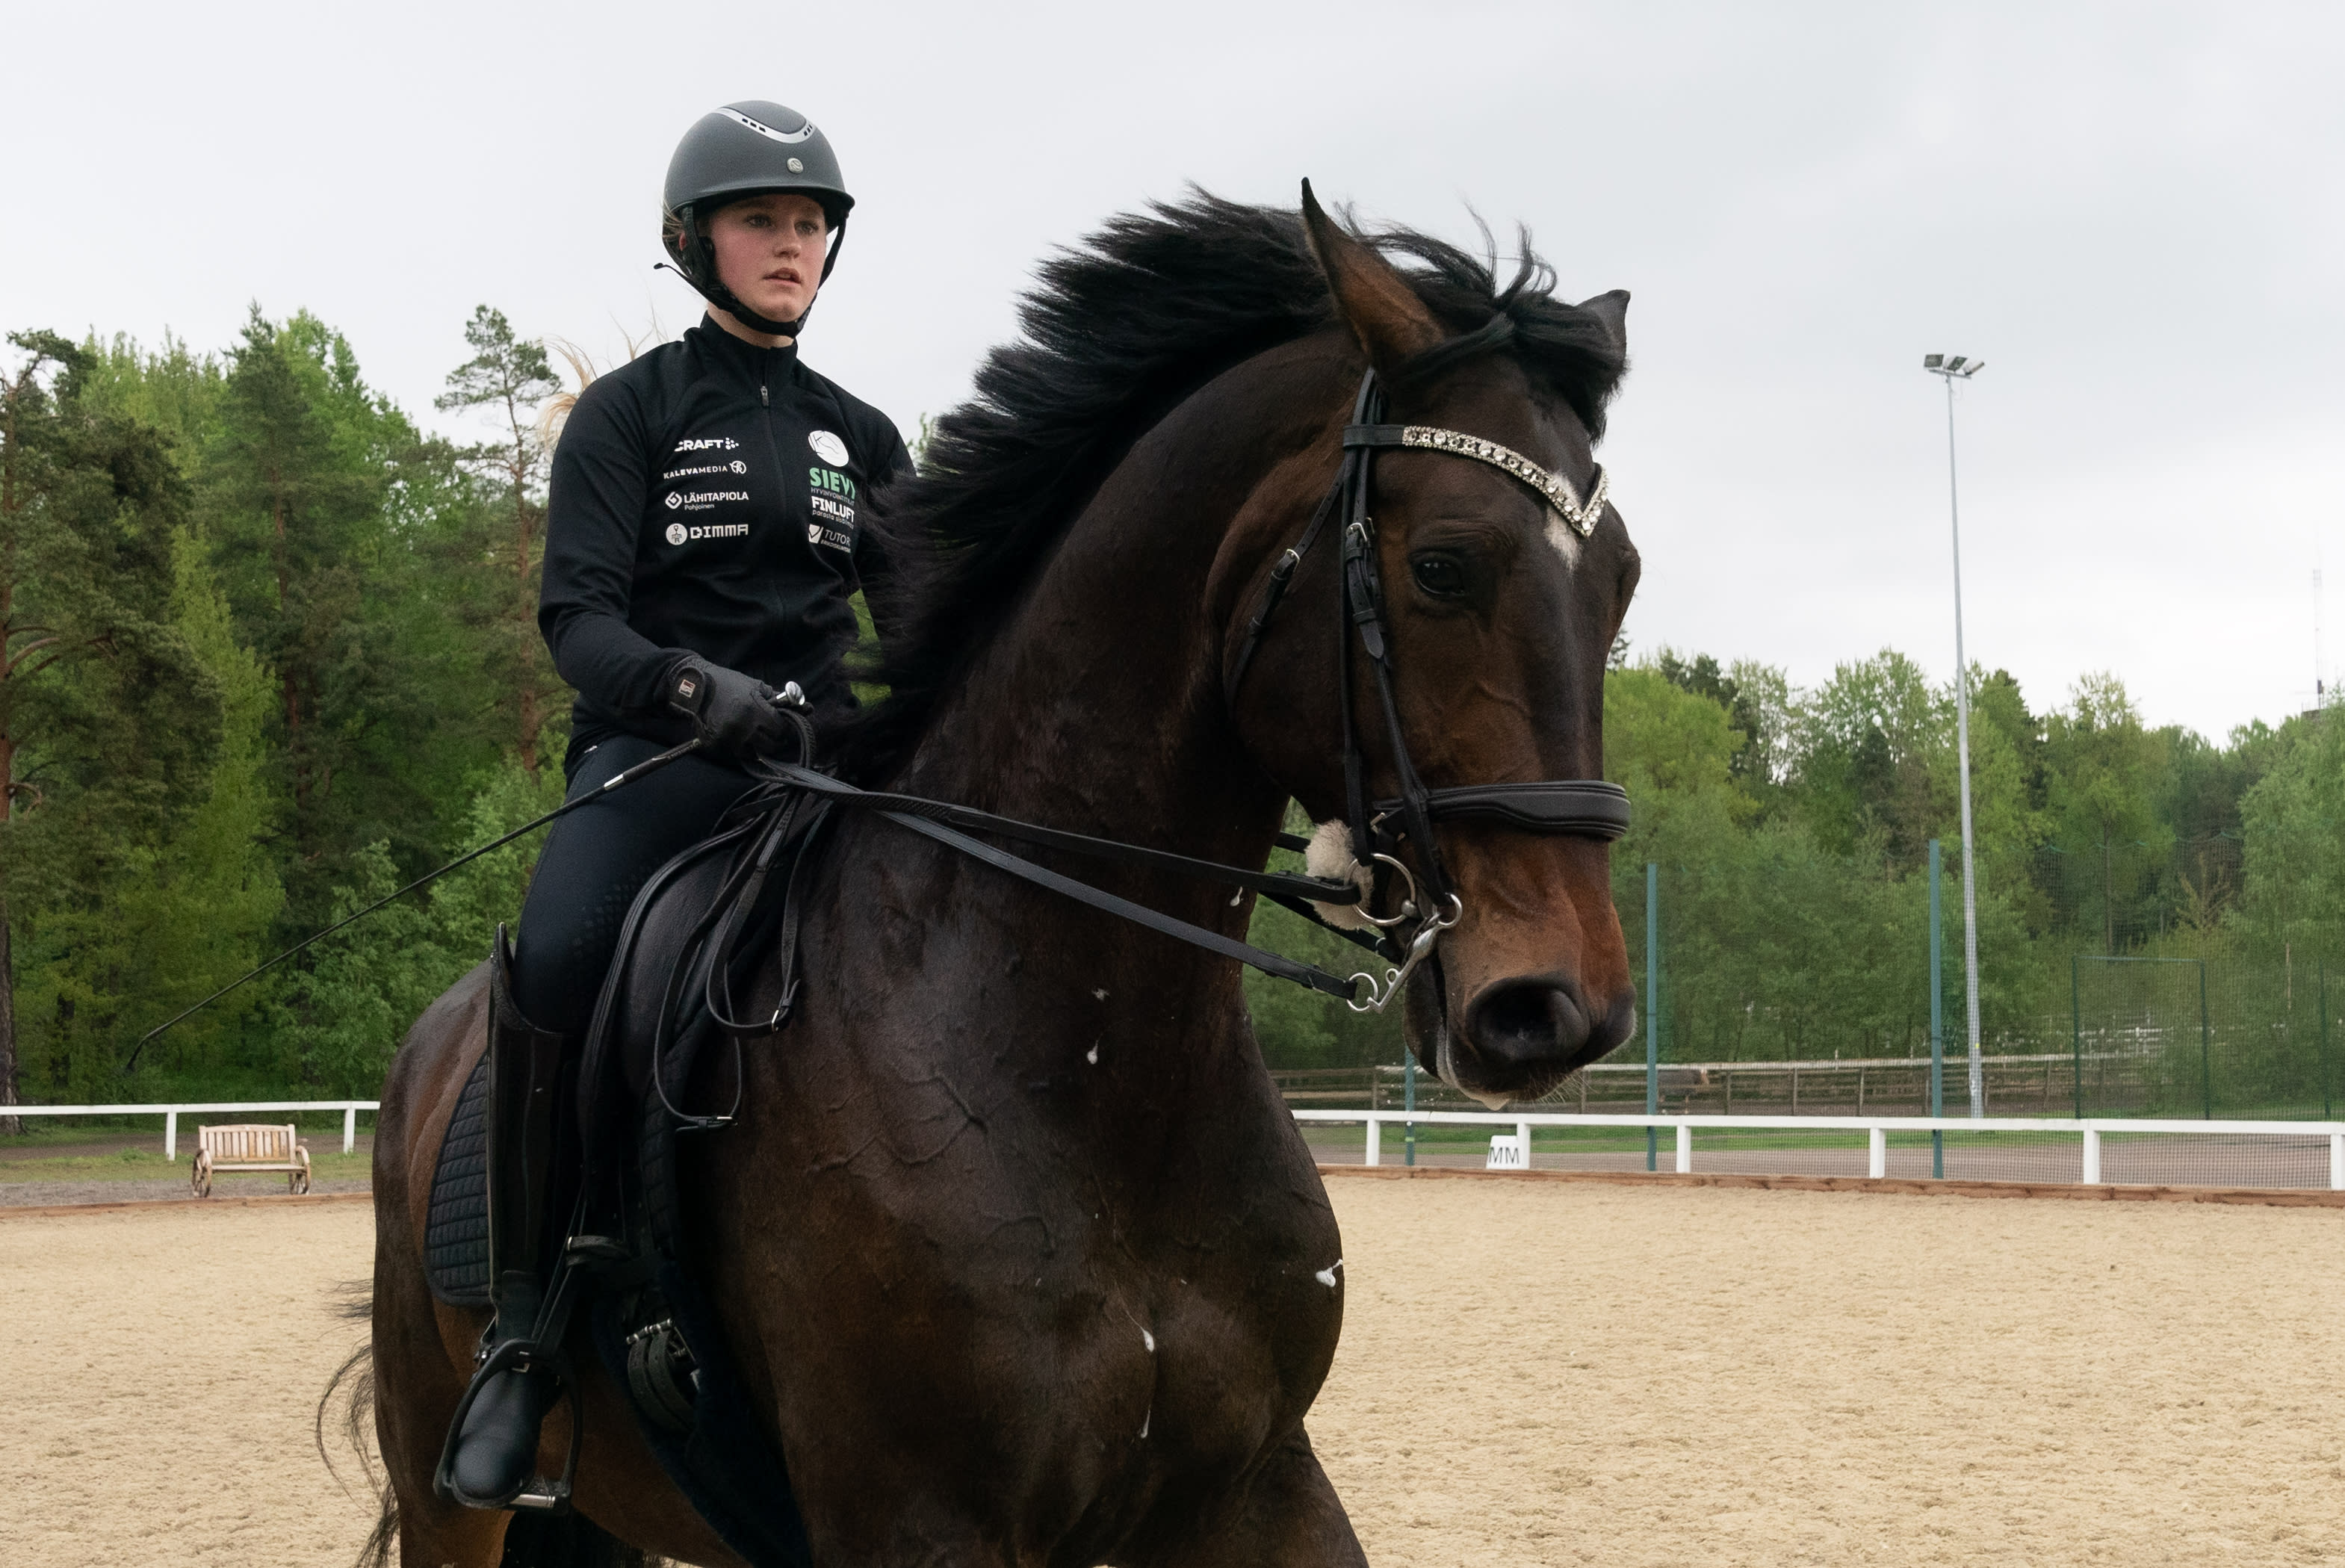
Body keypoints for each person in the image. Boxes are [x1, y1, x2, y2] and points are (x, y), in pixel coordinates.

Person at [440, 100, 913, 1511]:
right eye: (763, 219)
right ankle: (522, 1338)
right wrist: (697, 695)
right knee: (561, 953)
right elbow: (574, 622)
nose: (794, 243)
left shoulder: (863, 433)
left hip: (820, 778)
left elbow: (928, 631)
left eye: (812, 221)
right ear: (695, 241)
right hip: (660, 765)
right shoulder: (629, 414)